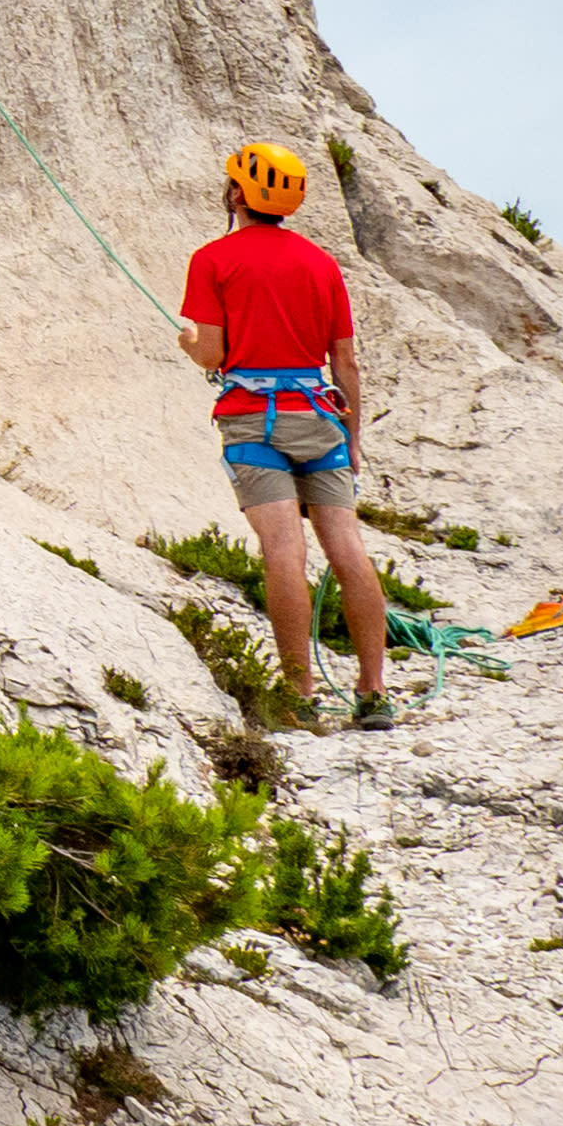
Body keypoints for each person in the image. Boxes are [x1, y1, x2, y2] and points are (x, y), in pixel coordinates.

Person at [176, 139, 393, 726]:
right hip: (320, 416)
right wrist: (352, 437)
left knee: (283, 553)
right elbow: (345, 363)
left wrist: (191, 345)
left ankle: (299, 694)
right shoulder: (322, 264)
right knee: (347, 549)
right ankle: (373, 691)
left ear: (238, 194)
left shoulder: (213, 259)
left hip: (253, 418)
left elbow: (212, 353)